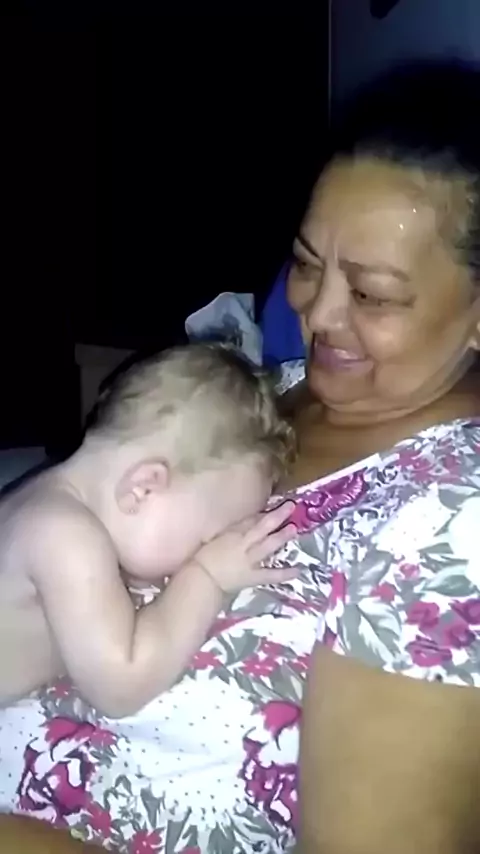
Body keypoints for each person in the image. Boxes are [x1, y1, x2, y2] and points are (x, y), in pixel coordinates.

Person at [3, 60, 480, 854]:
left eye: (371, 294)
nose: (316, 313)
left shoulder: (455, 524)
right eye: (305, 263)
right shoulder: (271, 388)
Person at [0, 342, 296, 717]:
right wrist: (206, 576)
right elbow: (120, 688)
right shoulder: (65, 540)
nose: (208, 548)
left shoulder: (49, 500)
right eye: (206, 537)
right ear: (143, 488)